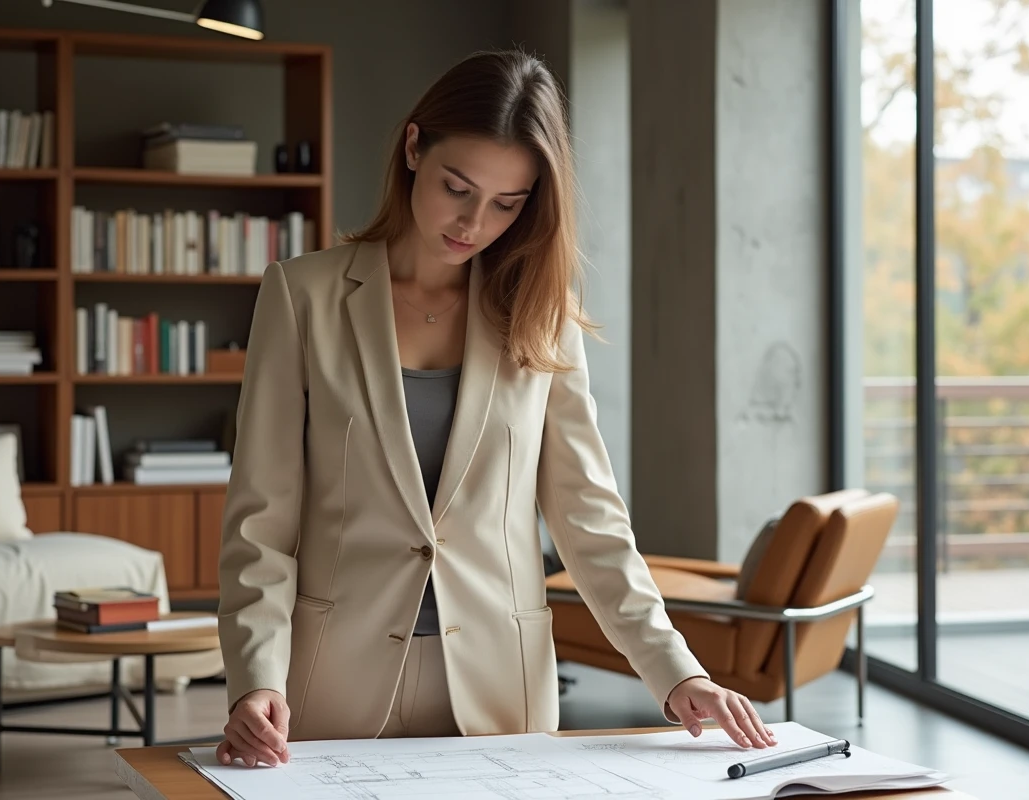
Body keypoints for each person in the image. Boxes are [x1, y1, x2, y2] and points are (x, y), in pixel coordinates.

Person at [214, 48, 777, 769]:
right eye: (458, 188)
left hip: (500, 693)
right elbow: (262, 522)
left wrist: (678, 671)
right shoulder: (302, 296)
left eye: (508, 203)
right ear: (414, 147)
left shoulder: (541, 313)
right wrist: (254, 679)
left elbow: (588, 516)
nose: (474, 222)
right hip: (327, 692)